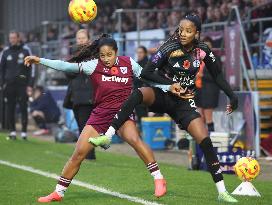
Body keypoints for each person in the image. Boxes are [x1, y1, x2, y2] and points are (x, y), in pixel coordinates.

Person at [91, 14, 239, 203]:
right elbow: (146, 73)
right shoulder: (169, 47)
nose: (183, 34)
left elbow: (217, 74)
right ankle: (109, 134)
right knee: (137, 94)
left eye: (188, 31)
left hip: (184, 103)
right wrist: (170, 85)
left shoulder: (202, 50)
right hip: (163, 94)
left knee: (205, 140)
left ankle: (222, 191)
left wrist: (232, 95)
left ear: (197, 33)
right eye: (181, 30)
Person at [24, 34, 168, 203]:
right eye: (102, 55)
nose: (106, 59)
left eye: (110, 55)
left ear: (116, 52)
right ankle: (58, 192)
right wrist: (40, 60)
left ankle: (158, 178)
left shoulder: (129, 63)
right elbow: (65, 66)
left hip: (122, 113)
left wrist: (169, 86)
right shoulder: (93, 66)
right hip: (100, 114)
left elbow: (148, 77)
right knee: (78, 153)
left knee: (134, 139)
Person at [63, 29, 96, 160]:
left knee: (86, 127)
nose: (81, 40)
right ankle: (87, 154)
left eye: (83, 38)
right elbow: (67, 73)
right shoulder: (73, 54)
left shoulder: (94, 54)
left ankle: (89, 155)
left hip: (89, 96)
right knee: (82, 126)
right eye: (78, 38)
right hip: (76, 96)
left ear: (88, 39)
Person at [0, 31, 35, 140]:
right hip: (9, 85)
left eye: (14, 38)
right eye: (10, 38)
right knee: (10, 108)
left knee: (23, 107)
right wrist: (2, 84)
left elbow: (32, 68)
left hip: (22, 85)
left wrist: (30, 84)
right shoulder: (5, 52)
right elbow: (1, 69)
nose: (12, 40)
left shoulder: (26, 50)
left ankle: (24, 133)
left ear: (18, 38)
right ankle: (13, 132)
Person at [195, 36, 220, 132]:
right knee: (200, 117)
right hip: (198, 90)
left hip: (209, 91)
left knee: (208, 117)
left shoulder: (214, 59)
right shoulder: (198, 59)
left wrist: (201, 75)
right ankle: (202, 138)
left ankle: (211, 139)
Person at [134, 46, 149, 131]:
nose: (139, 54)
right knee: (140, 116)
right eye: (138, 52)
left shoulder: (147, 64)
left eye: (141, 52)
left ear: (145, 53)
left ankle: (146, 134)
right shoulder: (137, 64)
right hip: (139, 93)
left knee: (144, 116)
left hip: (145, 93)